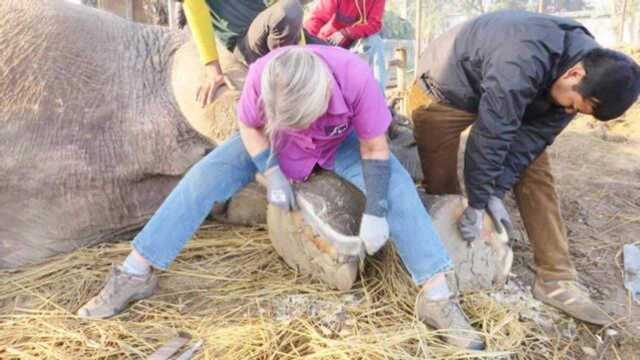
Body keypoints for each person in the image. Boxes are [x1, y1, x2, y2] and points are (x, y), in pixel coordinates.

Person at [77, 45, 485, 350]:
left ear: (323, 97)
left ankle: (437, 298)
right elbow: (251, 127)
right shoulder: (262, 76)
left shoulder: (356, 78)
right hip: (279, 141)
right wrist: (270, 171)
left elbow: (375, 150)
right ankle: (134, 273)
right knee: (204, 175)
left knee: (395, 186)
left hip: (338, 143)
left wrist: (377, 210)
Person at [407, 10, 640, 326]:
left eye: (578, 111)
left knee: (536, 172)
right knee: (440, 179)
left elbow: (530, 140)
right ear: (573, 74)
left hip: (522, 94)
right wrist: (476, 202)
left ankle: (556, 278)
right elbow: (489, 135)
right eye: (573, 106)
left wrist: (496, 192)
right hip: (447, 85)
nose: (571, 111)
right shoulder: (522, 57)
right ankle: (446, 265)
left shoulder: (590, 79)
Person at [177, 0, 305, 108]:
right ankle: (286, 85)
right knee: (288, 10)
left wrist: (304, 49)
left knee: (323, 54)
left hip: (274, 25)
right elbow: (196, 10)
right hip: (247, 38)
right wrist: (213, 71)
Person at [304, 0, 387, 90]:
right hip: (330, 44)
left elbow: (374, 24)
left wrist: (346, 33)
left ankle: (378, 96)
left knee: (375, 41)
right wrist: (303, 42)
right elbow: (318, 18)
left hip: (355, 46)